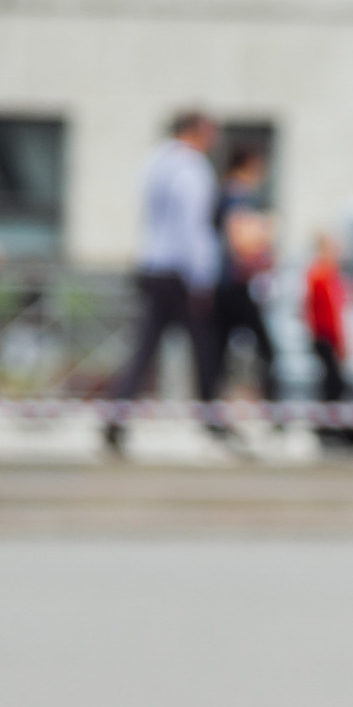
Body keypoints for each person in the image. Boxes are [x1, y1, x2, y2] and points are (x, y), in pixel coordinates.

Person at [103, 110, 227, 456]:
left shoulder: (156, 161)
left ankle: (117, 415)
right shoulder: (192, 168)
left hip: (152, 265)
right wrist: (201, 277)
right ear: (196, 131)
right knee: (205, 347)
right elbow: (193, 227)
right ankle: (212, 419)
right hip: (180, 271)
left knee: (144, 350)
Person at [210, 145, 278, 405]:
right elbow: (241, 241)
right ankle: (271, 408)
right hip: (236, 284)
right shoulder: (238, 195)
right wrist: (266, 231)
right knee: (265, 349)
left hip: (227, 283)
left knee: (219, 350)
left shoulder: (227, 194)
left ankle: (215, 409)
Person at [305, 230, 347, 405]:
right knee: (332, 382)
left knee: (333, 381)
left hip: (328, 334)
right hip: (324, 334)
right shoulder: (320, 275)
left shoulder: (330, 274)